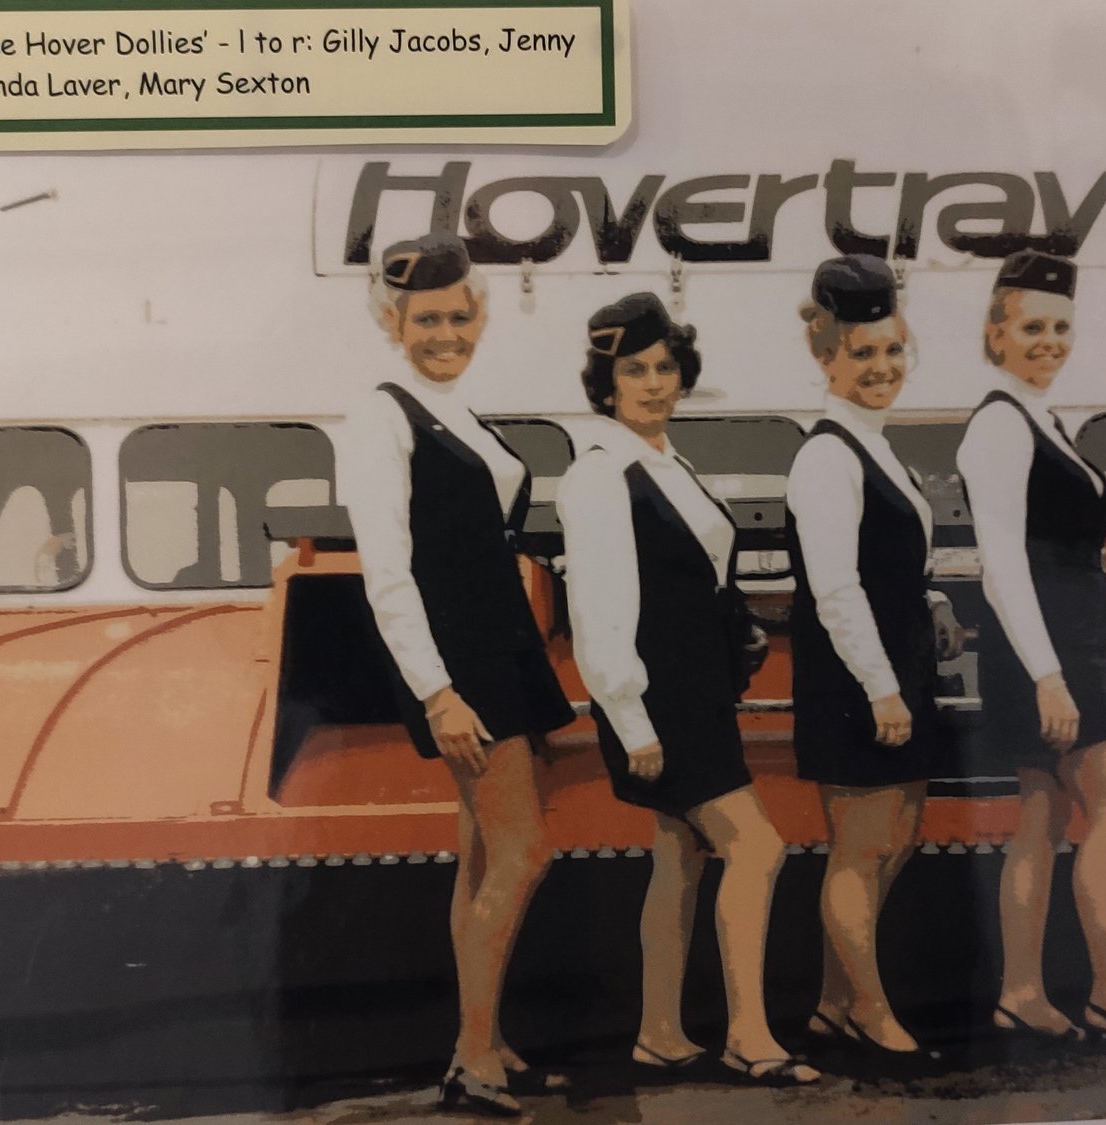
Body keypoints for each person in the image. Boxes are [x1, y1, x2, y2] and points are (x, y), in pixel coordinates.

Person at [335, 233, 580, 1115]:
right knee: (523, 851)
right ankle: (470, 1055)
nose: (445, 331)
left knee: (481, 854)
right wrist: (437, 691)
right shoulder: (381, 416)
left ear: (478, 315)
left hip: (497, 648)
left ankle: (487, 1037)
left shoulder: (456, 410)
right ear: (393, 322)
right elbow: (388, 574)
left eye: (456, 314)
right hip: (460, 665)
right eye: (425, 318)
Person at [558, 292, 822, 1087]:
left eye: (665, 366)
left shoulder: (665, 462)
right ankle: (749, 1035)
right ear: (604, 383)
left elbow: (695, 576)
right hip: (654, 700)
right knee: (757, 846)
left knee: (681, 857)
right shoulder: (599, 473)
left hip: (697, 691)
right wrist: (630, 719)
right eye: (632, 370)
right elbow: (596, 612)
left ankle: (661, 1034)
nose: (652, 382)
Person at [957, 250, 1106, 1055]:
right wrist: (1050, 674)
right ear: (995, 335)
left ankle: (1021, 992)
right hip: (1045, 653)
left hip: (1062, 644)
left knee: (1042, 813)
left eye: (1060, 327)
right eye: (1031, 327)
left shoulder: (1039, 415)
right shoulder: (997, 423)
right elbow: (1002, 561)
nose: (1049, 340)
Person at [783, 255, 963, 1056]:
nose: (884, 367)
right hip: (858, 676)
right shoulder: (826, 454)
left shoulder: (875, 445)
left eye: (894, 350)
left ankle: (833, 999)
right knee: (861, 850)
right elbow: (834, 590)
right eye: (864, 354)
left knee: (900, 836)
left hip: (897, 661)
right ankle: (869, 1006)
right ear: (826, 357)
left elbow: (883, 561)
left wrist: (929, 597)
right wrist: (883, 689)